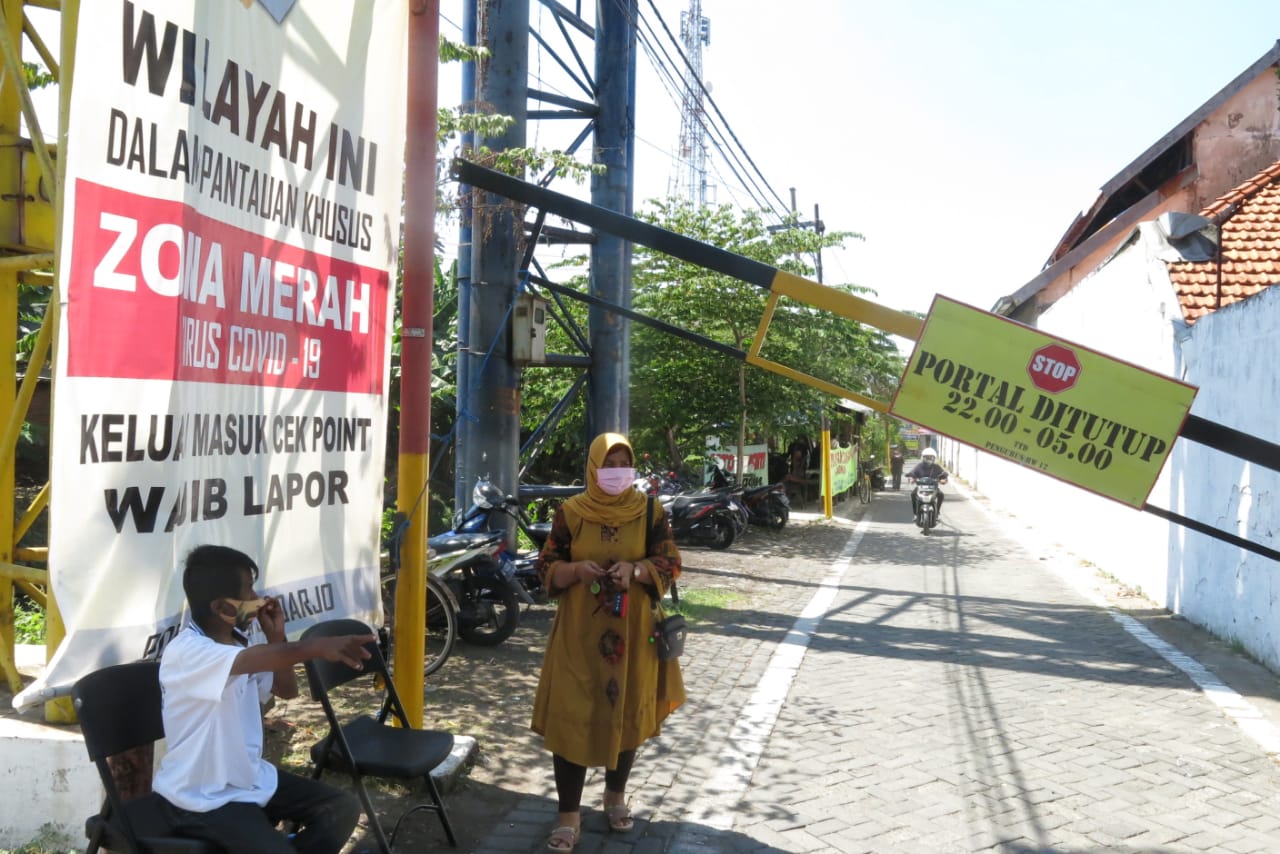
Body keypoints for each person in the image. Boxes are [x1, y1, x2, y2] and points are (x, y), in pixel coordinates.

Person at [152, 544, 374, 854]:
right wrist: (318, 646)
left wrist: (276, 636)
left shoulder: (240, 643)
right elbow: (248, 661)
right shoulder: (188, 652)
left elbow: (286, 690)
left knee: (342, 808)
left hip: (250, 779)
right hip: (200, 798)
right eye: (249, 591)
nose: (258, 599)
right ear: (222, 608)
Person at [531, 433, 685, 852]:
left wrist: (635, 573)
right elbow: (545, 566)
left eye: (624, 463)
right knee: (573, 713)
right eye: (609, 463)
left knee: (628, 709)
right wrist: (576, 570)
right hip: (580, 633)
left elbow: (670, 561)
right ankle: (568, 817)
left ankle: (615, 797)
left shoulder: (649, 510)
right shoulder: (571, 512)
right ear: (594, 467)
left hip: (633, 633)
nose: (618, 472)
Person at [907, 447, 949, 519]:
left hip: (933, 488)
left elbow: (943, 475)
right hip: (921, 487)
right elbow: (912, 473)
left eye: (931, 457)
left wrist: (943, 480)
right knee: (913, 494)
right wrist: (912, 479)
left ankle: (937, 512)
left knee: (941, 495)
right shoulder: (919, 466)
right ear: (923, 457)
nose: (929, 459)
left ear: (934, 458)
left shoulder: (936, 467)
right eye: (927, 457)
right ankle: (915, 514)